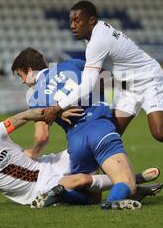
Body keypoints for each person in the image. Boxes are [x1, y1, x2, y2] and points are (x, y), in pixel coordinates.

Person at [40, 0, 163, 160]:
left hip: (150, 80)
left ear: (91, 20)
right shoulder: (94, 34)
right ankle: (126, 183)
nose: (72, 26)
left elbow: (88, 84)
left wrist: (57, 107)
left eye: (77, 21)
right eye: (71, 21)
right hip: (127, 87)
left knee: (160, 134)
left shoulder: (98, 41)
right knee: (110, 136)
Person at [0, 108, 162, 209]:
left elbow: (24, 116)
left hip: (48, 163)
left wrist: (53, 112)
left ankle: (131, 185)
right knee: (83, 181)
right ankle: (133, 180)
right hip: (37, 190)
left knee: (88, 153)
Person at [11, 48, 146, 210]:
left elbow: (42, 136)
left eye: (21, 76)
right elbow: (106, 78)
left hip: (76, 143)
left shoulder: (36, 98)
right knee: (128, 182)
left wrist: (33, 152)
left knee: (91, 195)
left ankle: (63, 193)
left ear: (30, 70)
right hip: (99, 128)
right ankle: (113, 201)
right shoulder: (71, 64)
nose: (23, 81)